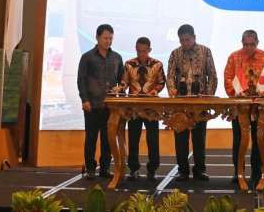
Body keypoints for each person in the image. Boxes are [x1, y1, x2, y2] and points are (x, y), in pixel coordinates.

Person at [224, 29, 264, 184]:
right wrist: (236, 91)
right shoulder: (234, 57)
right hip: (239, 106)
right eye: (246, 44)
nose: (249, 47)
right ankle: (238, 172)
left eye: (252, 44)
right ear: (242, 43)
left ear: (257, 43)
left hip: (259, 107)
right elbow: (228, 78)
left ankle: (257, 173)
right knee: (238, 139)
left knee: (258, 139)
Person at [166, 24, 218, 181]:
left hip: (199, 103)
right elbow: (170, 76)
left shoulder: (205, 51)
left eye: (187, 39)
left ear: (194, 37)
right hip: (180, 104)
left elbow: (212, 76)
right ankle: (182, 170)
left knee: (199, 139)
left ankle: (199, 170)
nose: (185, 43)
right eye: (182, 40)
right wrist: (172, 91)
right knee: (180, 139)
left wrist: (208, 97)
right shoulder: (175, 54)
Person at [77, 23, 124, 180]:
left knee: (108, 139)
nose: (108, 41)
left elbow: (122, 80)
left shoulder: (117, 57)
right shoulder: (87, 57)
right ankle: (90, 168)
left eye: (111, 38)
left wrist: (121, 88)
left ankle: (105, 168)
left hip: (110, 106)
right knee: (91, 138)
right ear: (97, 37)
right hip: (92, 104)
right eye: (105, 38)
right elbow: (81, 80)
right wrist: (84, 99)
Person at [121, 37, 165, 181]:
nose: (141, 54)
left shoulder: (157, 64)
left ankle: (152, 169)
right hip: (133, 108)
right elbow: (124, 82)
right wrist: (121, 88)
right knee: (133, 139)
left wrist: (155, 91)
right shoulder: (128, 64)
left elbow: (161, 82)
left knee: (153, 139)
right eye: (139, 51)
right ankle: (133, 169)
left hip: (152, 107)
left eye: (144, 51)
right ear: (136, 49)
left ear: (149, 50)